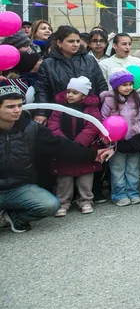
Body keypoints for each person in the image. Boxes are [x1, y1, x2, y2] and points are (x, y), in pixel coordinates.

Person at [0, 80, 112, 233]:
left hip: (19, 188)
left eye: (19, 105)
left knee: (50, 205)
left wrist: (92, 154)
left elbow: (60, 146)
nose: (17, 110)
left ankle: (14, 217)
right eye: (10, 107)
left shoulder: (31, 128)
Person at [46, 76, 103, 216]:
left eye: (74, 92)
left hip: (84, 148)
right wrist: (64, 142)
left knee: (85, 176)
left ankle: (85, 200)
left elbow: (93, 126)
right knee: (64, 178)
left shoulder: (91, 109)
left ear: (84, 95)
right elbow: (53, 124)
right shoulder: (59, 108)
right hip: (63, 149)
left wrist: (80, 142)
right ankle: (63, 202)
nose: (70, 95)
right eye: (68, 92)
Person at [33, 26, 108, 124]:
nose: (75, 44)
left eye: (77, 41)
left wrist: (105, 109)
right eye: (71, 41)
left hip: (89, 115)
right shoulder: (48, 64)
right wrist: (41, 112)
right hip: (60, 114)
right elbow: (42, 90)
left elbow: (101, 85)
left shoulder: (89, 60)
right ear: (59, 43)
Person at [101, 69, 140, 206]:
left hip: (134, 140)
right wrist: (108, 139)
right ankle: (119, 194)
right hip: (116, 142)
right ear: (116, 86)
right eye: (124, 85)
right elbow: (103, 119)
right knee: (117, 169)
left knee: (133, 168)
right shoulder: (110, 101)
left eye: (130, 84)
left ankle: (133, 192)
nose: (128, 87)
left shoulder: (137, 98)